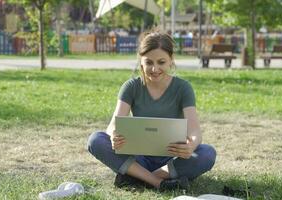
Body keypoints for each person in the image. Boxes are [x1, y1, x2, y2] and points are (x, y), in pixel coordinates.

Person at [86, 30, 216, 191]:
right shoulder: (131, 87)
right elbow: (113, 124)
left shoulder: (183, 88)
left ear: (171, 61)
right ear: (141, 61)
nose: (155, 69)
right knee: (96, 140)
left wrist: (191, 145)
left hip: (173, 159)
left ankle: (136, 177)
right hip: (137, 157)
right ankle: (157, 182)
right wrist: (114, 135)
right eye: (149, 63)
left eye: (161, 62)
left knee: (207, 153)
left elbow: (195, 131)